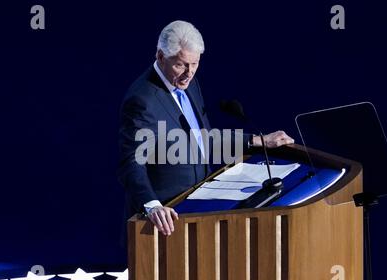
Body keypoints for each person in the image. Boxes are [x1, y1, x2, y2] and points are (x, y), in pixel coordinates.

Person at [117, 20, 294, 237]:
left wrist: (257, 141)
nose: (189, 73)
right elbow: (132, 163)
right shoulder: (142, 100)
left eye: (195, 64)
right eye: (181, 64)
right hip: (166, 219)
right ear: (160, 56)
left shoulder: (190, 84)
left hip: (199, 209)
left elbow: (200, 139)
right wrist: (152, 205)